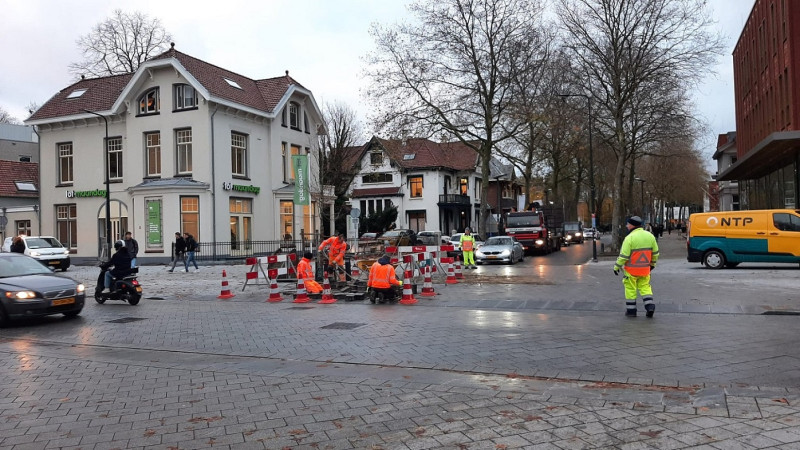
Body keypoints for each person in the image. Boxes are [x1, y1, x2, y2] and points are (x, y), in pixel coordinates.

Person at [613, 216, 660, 317]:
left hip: (631, 271)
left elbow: (623, 256)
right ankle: (649, 306)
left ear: (632, 225)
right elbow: (655, 253)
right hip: (645, 270)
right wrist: (652, 264)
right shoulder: (650, 236)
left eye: (628, 224)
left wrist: (616, 266)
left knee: (630, 290)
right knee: (645, 288)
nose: (626, 226)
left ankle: (631, 311)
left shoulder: (629, 238)